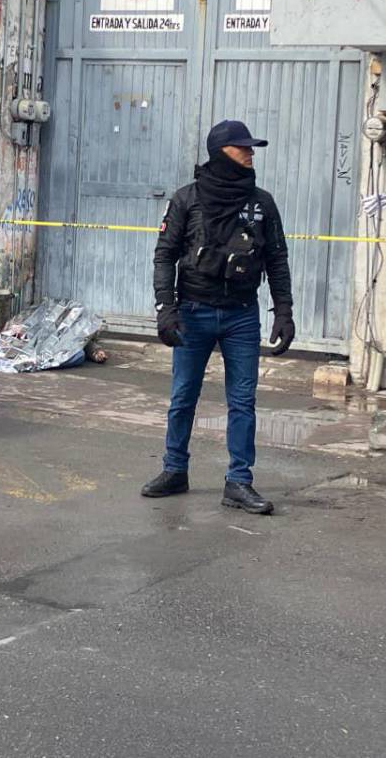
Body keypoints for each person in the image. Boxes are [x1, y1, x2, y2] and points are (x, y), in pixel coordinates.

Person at [144, 120, 294, 515]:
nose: (250, 153)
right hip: (193, 312)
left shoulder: (261, 203)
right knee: (183, 398)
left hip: (242, 317)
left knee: (243, 401)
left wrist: (284, 311)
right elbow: (165, 255)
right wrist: (166, 308)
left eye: (251, 148)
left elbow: (277, 258)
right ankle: (174, 469)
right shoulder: (186, 200)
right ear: (220, 152)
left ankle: (239, 482)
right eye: (242, 148)